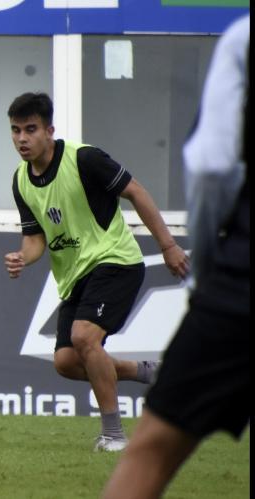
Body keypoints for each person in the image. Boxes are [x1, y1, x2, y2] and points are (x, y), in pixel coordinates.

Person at [103, 14, 249, 498]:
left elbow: (211, 166)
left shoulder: (243, 38)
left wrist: (208, 267)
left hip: (240, 277)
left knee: (152, 450)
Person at [3, 92, 190, 452]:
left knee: (85, 338)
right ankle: (147, 372)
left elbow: (137, 192)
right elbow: (35, 238)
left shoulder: (84, 158)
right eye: (15, 131)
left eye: (30, 130)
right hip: (76, 277)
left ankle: (114, 435)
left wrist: (167, 245)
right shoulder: (21, 181)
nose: (22, 139)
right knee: (66, 361)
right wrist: (22, 258)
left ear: (49, 130)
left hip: (115, 261)